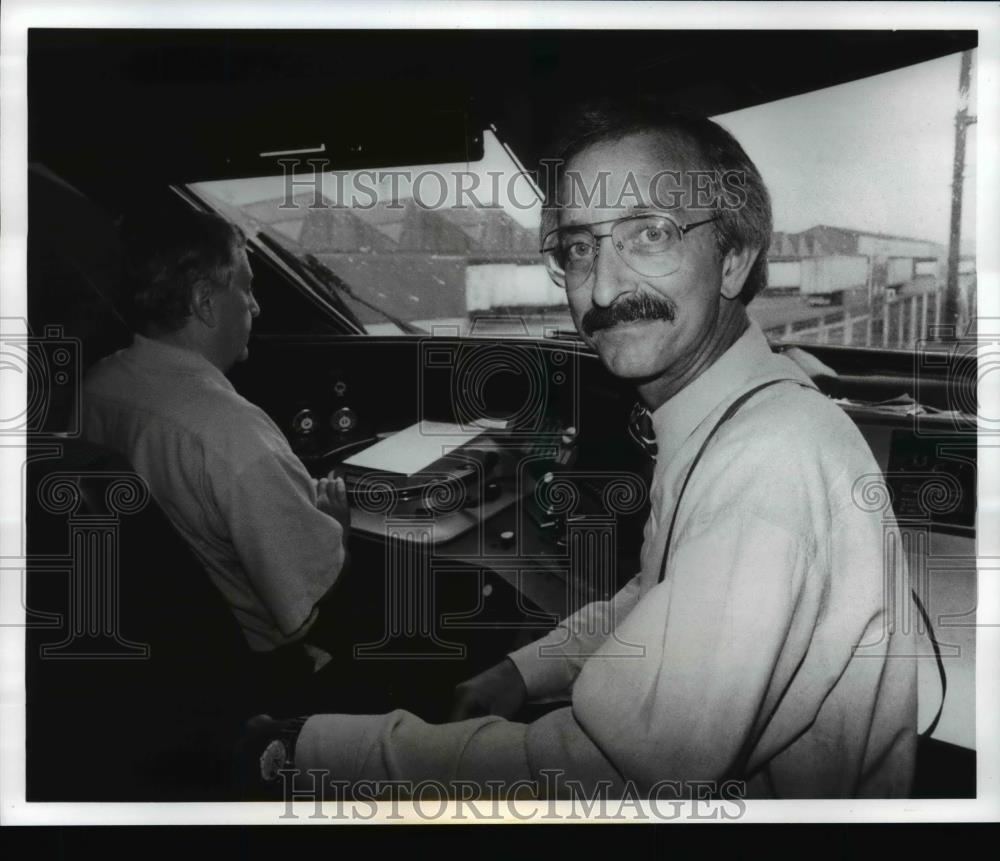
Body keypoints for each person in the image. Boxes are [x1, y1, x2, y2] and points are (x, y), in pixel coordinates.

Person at [244, 109, 917, 799]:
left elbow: (604, 781)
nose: (600, 289)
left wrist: (307, 748)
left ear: (735, 257)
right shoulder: (739, 410)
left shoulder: (766, 464)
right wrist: (525, 670)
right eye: (578, 247)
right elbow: (659, 591)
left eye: (650, 233)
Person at [82, 207, 350, 694]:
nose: (256, 306)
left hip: (163, 664)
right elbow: (309, 605)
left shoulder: (96, 386)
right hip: (260, 676)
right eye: (246, 287)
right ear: (206, 302)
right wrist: (339, 528)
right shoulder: (232, 433)